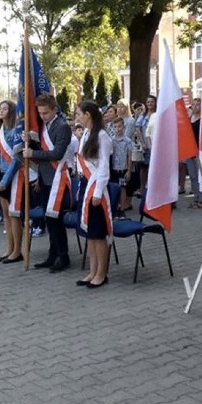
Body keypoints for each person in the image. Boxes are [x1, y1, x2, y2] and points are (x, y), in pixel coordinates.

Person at [22, 93, 73, 272]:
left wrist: (33, 154)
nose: (42, 116)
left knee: (56, 218)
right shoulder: (43, 127)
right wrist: (29, 143)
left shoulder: (62, 127)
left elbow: (56, 153)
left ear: (54, 110)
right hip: (45, 178)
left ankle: (62, 255)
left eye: (45, 113)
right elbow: (42, 149)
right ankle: (53, 254)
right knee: (49, 218)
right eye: (40, 113)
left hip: (58, 178)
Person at [75, 100, 113, 289]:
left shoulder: (102, 136)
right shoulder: (87, 134)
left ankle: (101, 273)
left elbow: (104, 167)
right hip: (85, 184)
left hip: (96, 186)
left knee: (98, 234)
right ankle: (92, 270)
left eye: (79, 114)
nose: (77, 117)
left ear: (88, 115)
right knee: (90, 233)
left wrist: (98, 193)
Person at [0, 100, 25, 263]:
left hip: (12, 177)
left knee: (14, 214)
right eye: (0, 108)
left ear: (11, 111)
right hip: (0, 174)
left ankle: (17, 251)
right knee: (5, 215)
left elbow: (17, 159)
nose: (1, 111)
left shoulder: (15, 132)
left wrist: (5, 180)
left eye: (5, 108)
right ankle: (9, 249)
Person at [110, 117, 133, 214]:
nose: (117, 129)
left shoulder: (128, 141)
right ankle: (115, 206)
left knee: (123, 188)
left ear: (123, 127)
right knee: (114, 187)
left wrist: (129, 170)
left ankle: (122, 208)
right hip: (113, 169)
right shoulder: (111, 141)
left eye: (119, 126)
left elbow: (129, 156)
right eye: (115, 127)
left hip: (123, 169)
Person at [186, 97, 202, 208]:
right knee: (192, 176)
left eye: (198, 104)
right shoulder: (189, 118)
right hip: (190, 150)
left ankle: (201, 199)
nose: (195, 106)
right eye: (193, 104)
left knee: (200, 175)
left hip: (200, 151)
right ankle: (196, 197)